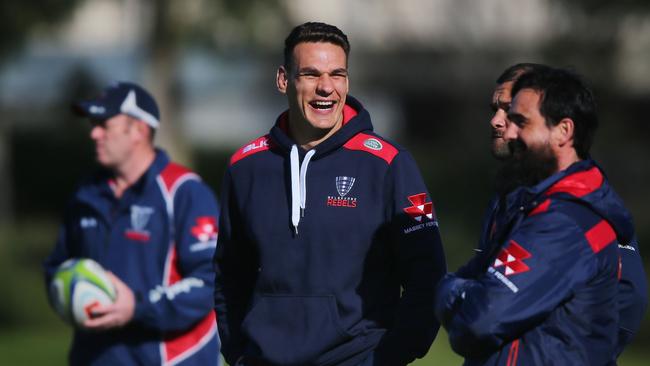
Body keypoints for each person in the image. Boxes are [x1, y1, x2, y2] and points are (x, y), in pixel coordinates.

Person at [213, 22, 446, 366]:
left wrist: (392, 356)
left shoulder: (388, 164)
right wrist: (237, 354)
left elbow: (427, 275)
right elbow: (229, 277)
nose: (326, 88)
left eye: (337, 74)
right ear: (283, 80)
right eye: (310, 74)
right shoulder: (246, 167)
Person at [435, 67, 639, 365]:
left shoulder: (563, 223)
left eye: (521, 121)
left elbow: (480, 321)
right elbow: (477, 277)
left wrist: (450, 292)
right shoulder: (527, 204)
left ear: (563, 131)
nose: (507, 129)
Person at [43, 81, 221, 366]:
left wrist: (137, 307)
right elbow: (57, 266)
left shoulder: (184, 192)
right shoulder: (86, 194)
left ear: (138, 130)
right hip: (95, 358)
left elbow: (210, 282)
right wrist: (68, 296)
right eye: (92, 124)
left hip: (169, 359)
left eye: (104, 124)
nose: (94, 133)